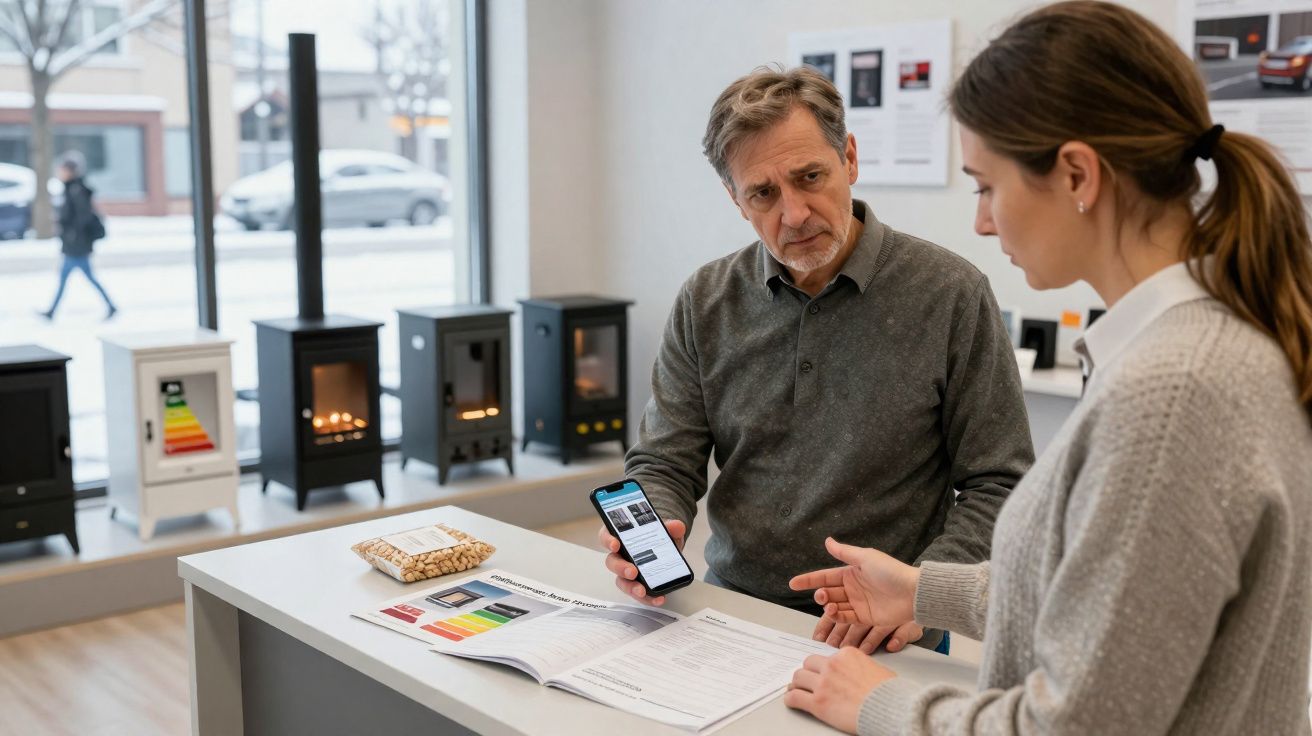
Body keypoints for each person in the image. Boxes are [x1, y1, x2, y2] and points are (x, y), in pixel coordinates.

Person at [785, 3, 1312, 734]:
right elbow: (1121, 601)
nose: (981, 221)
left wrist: (878, 702)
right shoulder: (1195, 350)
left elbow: (1075, 725)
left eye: (985, 185)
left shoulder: (1176, 393)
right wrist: (922, 589)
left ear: (1075, 174)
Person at [598, 66, 1035, 655]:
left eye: (810, 177)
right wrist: (653, 526)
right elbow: (664, 460)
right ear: (735, 199)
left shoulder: (951, 292)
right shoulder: (706, 300)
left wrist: (919, 593)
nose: (795, 213)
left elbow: (999, 483)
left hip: (886, 629)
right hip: (732, 609)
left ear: (849, 159)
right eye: (763, 193)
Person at [40, 151, 117, 321]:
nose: (60, 172)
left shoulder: (76, 190)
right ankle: (111, 306)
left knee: (69, 279)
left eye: (63, 169)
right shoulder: (70, 189)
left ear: (71, 171)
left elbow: (83, 218)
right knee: (79, 278)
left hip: (77, 246)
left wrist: (72, 236)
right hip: (74, 244)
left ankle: (52, 312)